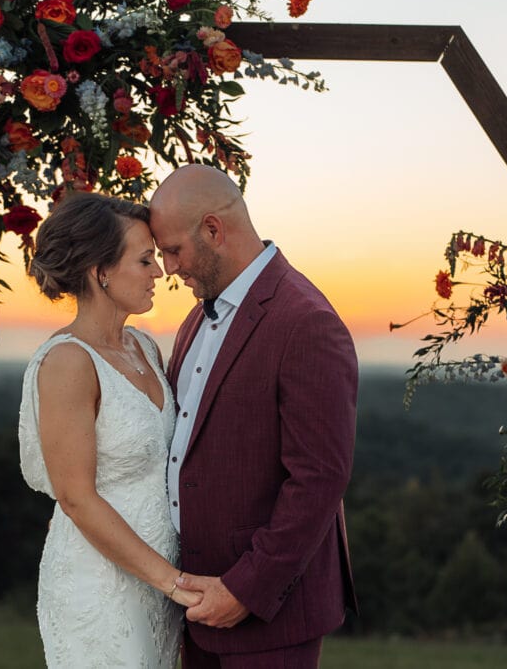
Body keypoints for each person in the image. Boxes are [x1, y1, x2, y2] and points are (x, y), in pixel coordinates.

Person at [149, 164, 359, 668]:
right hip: (194, 607)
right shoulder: (196, 318)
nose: (170, 269)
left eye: (173, 250)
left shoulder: (306, 321)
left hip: (269, 616)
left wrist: (244, 590)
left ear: (214, 230)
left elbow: (319, 479)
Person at [17, 191, 200, 668]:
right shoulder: (68, 362)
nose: (159, 272)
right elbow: (76, 497)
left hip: (158, 584)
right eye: (144, 260)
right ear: (100, 271)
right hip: (100, 584)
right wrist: (172, 581)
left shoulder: (144, 347)